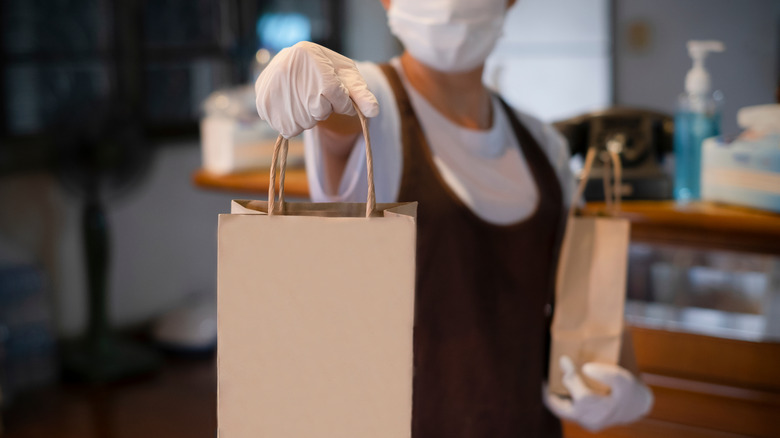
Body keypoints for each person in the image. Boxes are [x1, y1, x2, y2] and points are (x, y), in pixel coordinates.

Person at [254, 0, 653, 436]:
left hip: (524, 421)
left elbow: (573, 294)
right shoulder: (371, 105)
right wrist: (309, 72)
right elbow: (339, 119)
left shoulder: (541, 142)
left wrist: (616, 376)